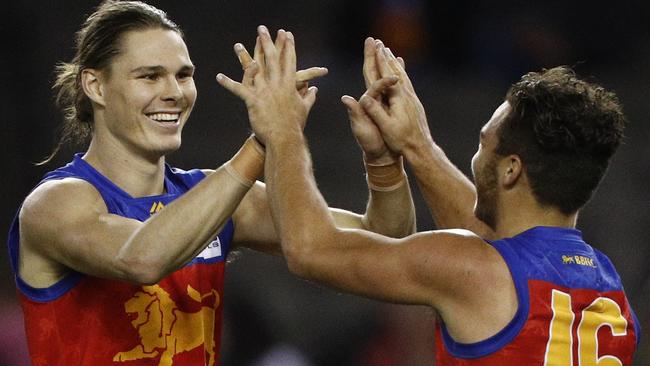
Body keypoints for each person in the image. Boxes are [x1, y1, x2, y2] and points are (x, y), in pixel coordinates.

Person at [6, 2, 416, 365]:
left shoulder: (218, 199)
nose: (174, 93)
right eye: (149, 77)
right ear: (95, 85)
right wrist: (262, 142)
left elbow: (382, 241)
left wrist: (383, 160)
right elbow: (142, 259)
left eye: (183, 76)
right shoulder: (55, 204)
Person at [218, 28, 641, 364]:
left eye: (482, 144)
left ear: (512, 169)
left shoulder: (468, 267)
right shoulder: (611, 293)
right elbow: (501, 250)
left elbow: (310, 250)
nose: (475, 160)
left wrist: (281, 129)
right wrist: (413, 145)